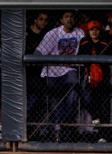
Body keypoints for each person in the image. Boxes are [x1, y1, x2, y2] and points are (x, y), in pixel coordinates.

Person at [34, 10, 85, 142]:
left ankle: (66, 122)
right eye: (66, 17)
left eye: (72, 17)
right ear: (62, 20)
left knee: (74, 88)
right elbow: (40, 51)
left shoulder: (80, 33)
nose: (69, 19)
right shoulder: (53, 33)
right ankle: (60, 132)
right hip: (52, 72)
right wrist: (32, 60)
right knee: (55, 103)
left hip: (70, 69)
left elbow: (85, 51)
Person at [77, 20, 112, 141]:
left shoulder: (105, 42)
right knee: (87, 100)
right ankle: (96, 118)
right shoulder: (84, 41)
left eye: (96, 29)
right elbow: (80, 57)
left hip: (104, 77)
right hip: (88, 76)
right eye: (92, 29)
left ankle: (104, 133)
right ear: (89, 31)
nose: (94, 32)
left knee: (104, 104)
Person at [25, 11, 49, 128]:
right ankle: (24, 127)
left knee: (40, 102)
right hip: (26, 72)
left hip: (41, 71)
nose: (43, 22)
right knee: (30, 101)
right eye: (41, 19)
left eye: (45, 20)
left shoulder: (47, 34)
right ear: (35, 20)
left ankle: (39, 130)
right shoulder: (25, 33)